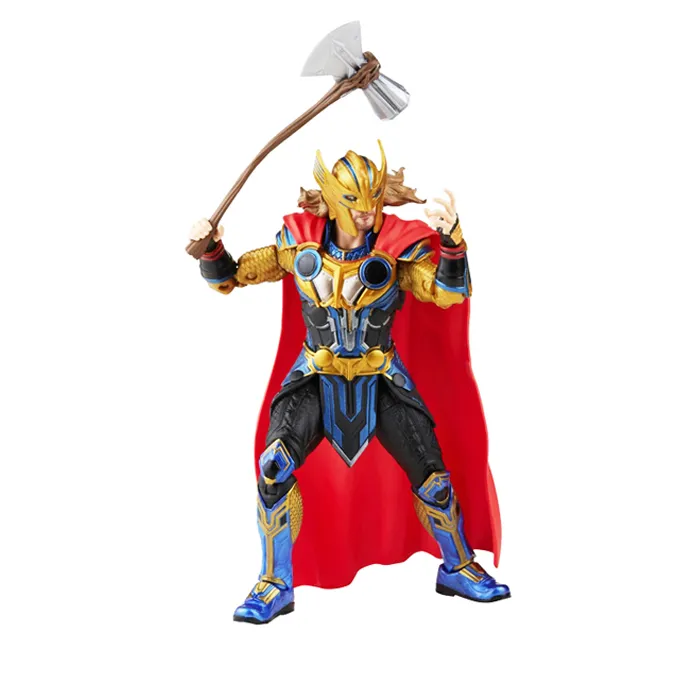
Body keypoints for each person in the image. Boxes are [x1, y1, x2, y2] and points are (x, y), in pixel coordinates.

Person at [190, 141, 510, 624]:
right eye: (354, 201)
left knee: (434, 479)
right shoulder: (297, 243)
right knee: (274, 467)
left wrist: (452, 242)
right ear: (332, 198)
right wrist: (211, 248)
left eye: (372, 200)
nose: (366, 211)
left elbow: (447, 292)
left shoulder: (396, 252)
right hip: (314, 379)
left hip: (380, 380)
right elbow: (231, 278)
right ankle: (274, 582)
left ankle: (458, 566)